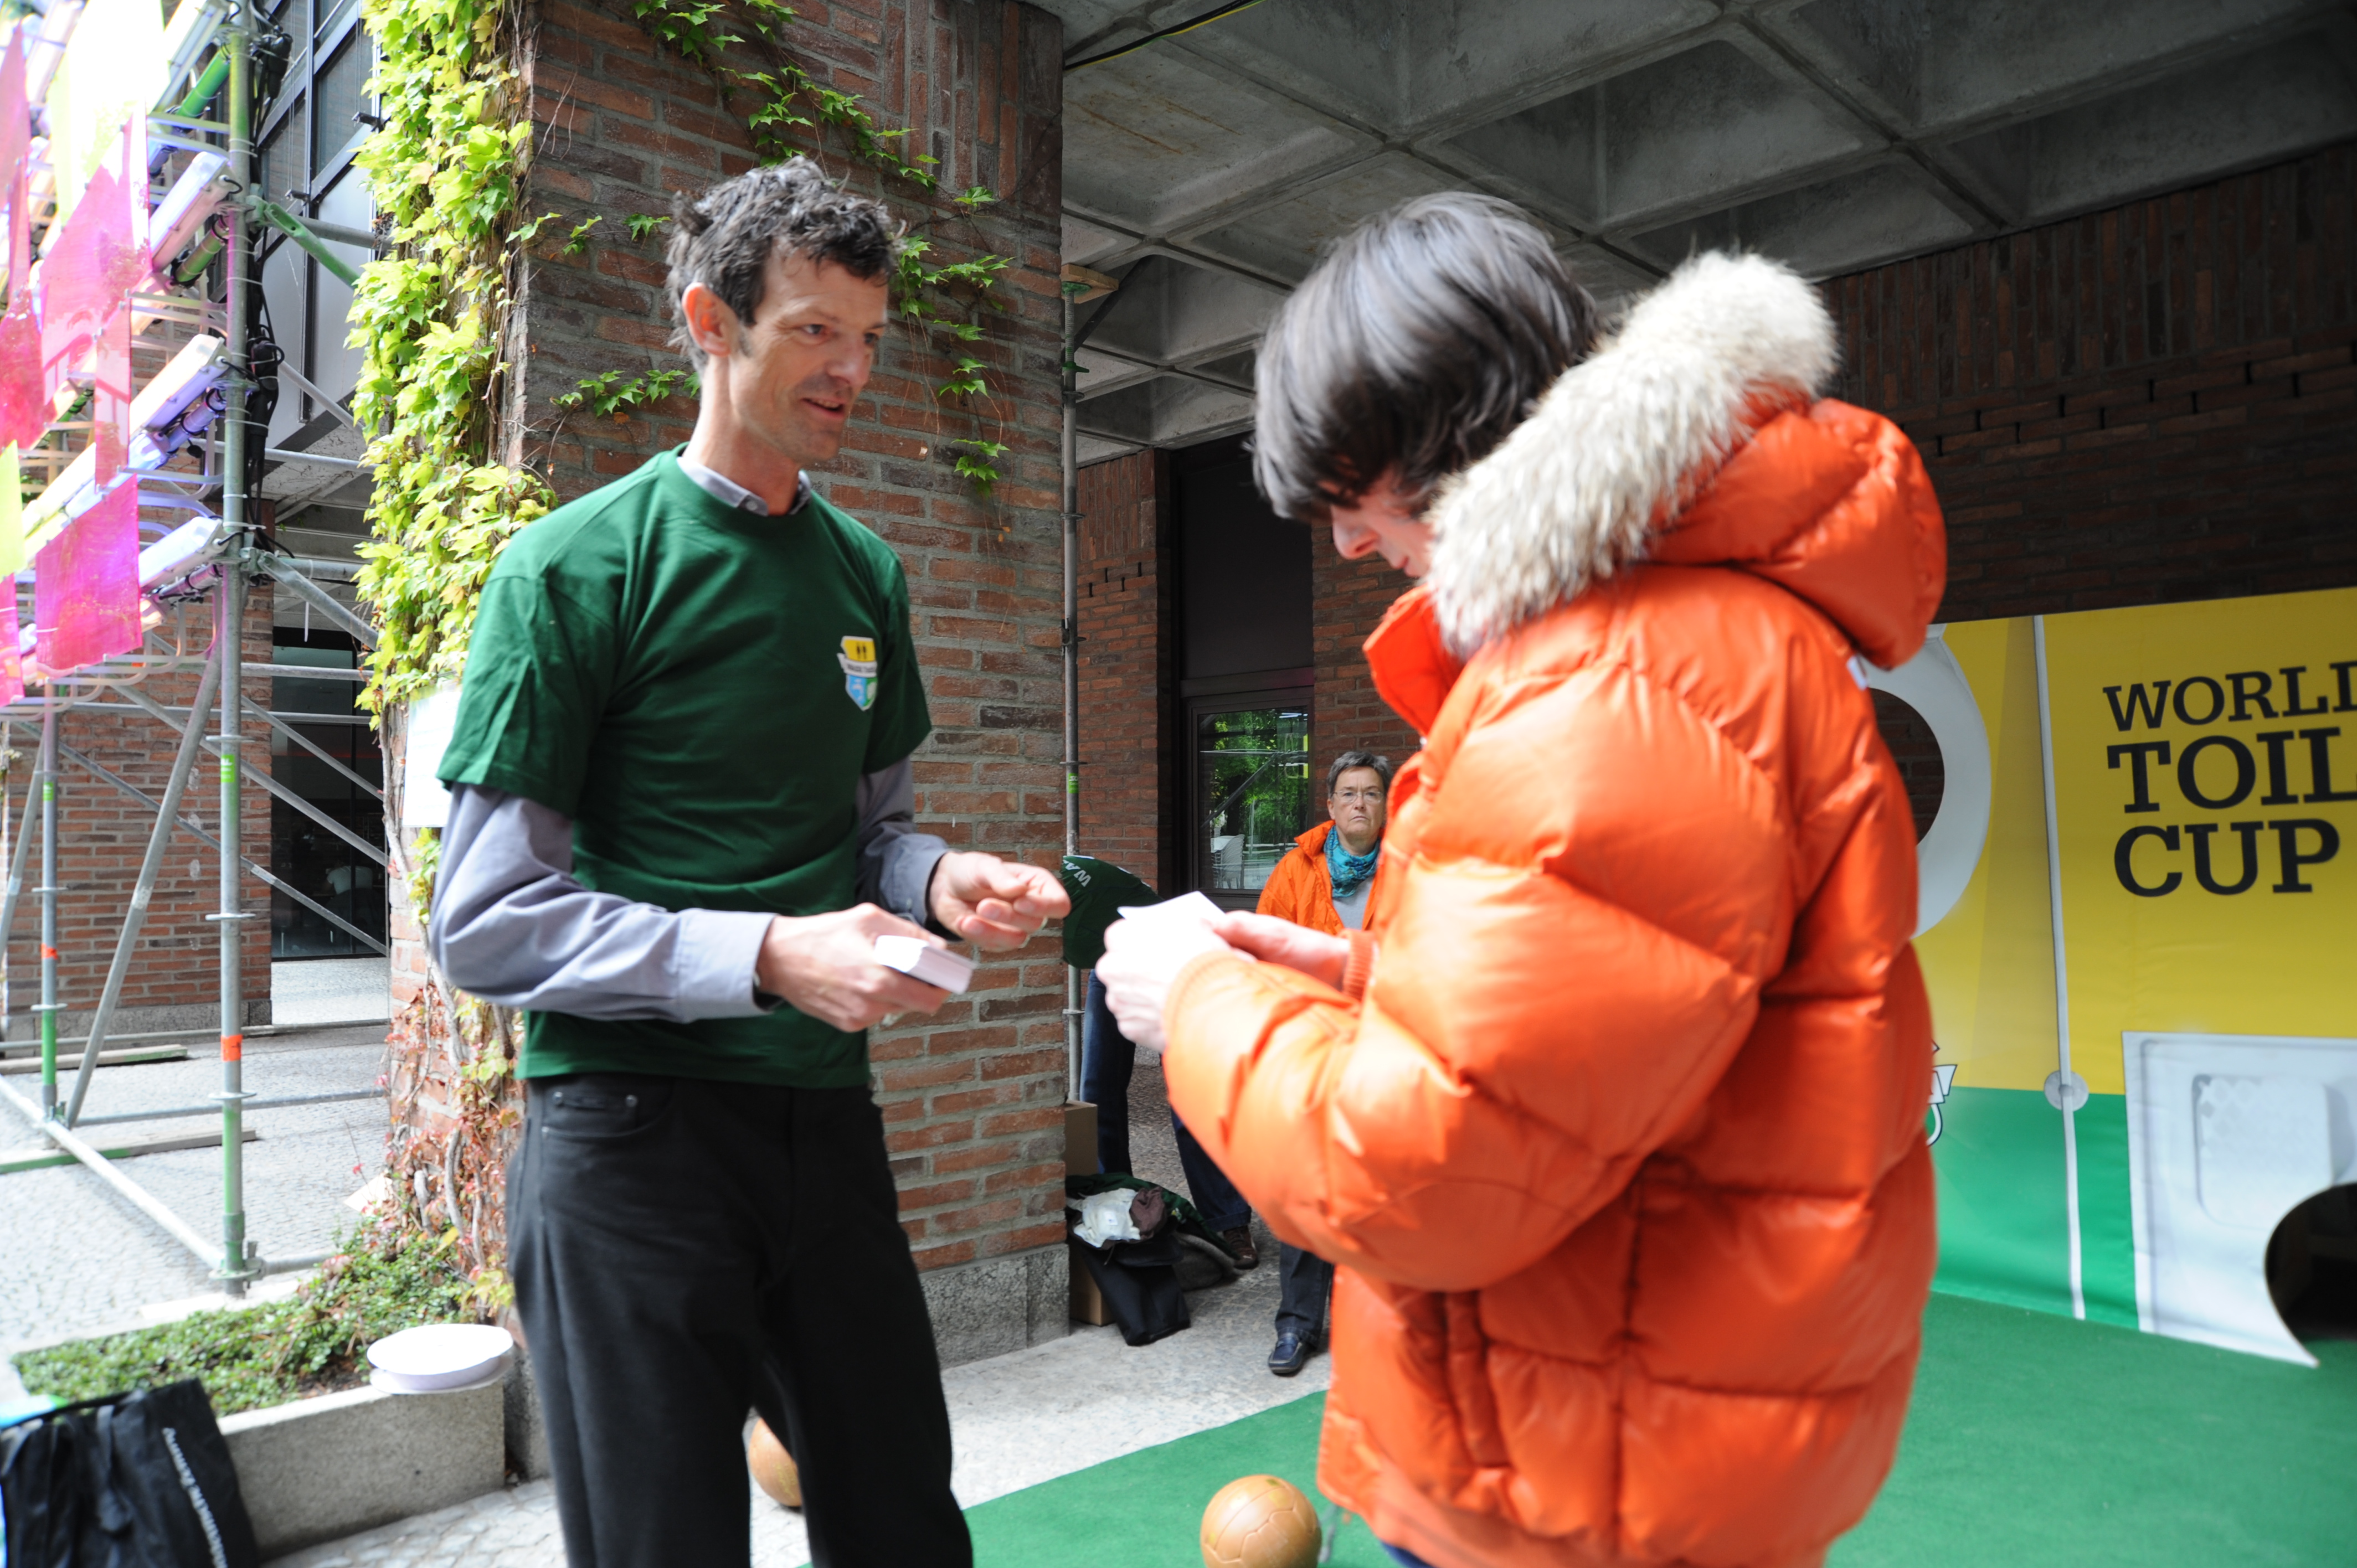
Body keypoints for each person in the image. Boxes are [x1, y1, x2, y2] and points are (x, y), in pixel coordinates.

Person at [1099, 192, 1943, 1568]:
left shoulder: (1608, 680)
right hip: (1615, 1417)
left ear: (1436, 438)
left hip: (1582, 1470)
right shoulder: (1658, 641)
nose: (1348, 543)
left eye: (1349, 494)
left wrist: (1195, 997)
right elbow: (1606, 1051)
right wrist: (1358, 977)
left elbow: (1429, 1175)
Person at [428, 158, 1068, 1568]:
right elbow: (482, 920)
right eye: (814, 331)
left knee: (906, 1528)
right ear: (710, 323)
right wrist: (769, 954)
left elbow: (873, 834)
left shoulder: (865, 575)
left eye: (870, 338)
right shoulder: (571, 570)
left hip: (823, 1125)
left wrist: (939, 879)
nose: (853, 372)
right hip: (626, 1139)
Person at [1249, 750, 1393, 1376]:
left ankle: (1380, 1324)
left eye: (1371, 793)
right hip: (1312, 1046)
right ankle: (1298, 1324)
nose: (1360, 803)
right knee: (1308, 1187)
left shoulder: (1414, 870)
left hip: (1389, 1049)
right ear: (1330, 806)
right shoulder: (1295, 869)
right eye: (1349, 794)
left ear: (1386, 805)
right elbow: (1263, 953)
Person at [1062, 856, 1259, 1266]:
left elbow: (1074, 951)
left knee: (1191, 1098)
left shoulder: (1060, 876)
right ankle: (1117, 1200)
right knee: (1097, 1091)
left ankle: (1229, 1220)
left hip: (1168, 960)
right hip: (1110, 964)